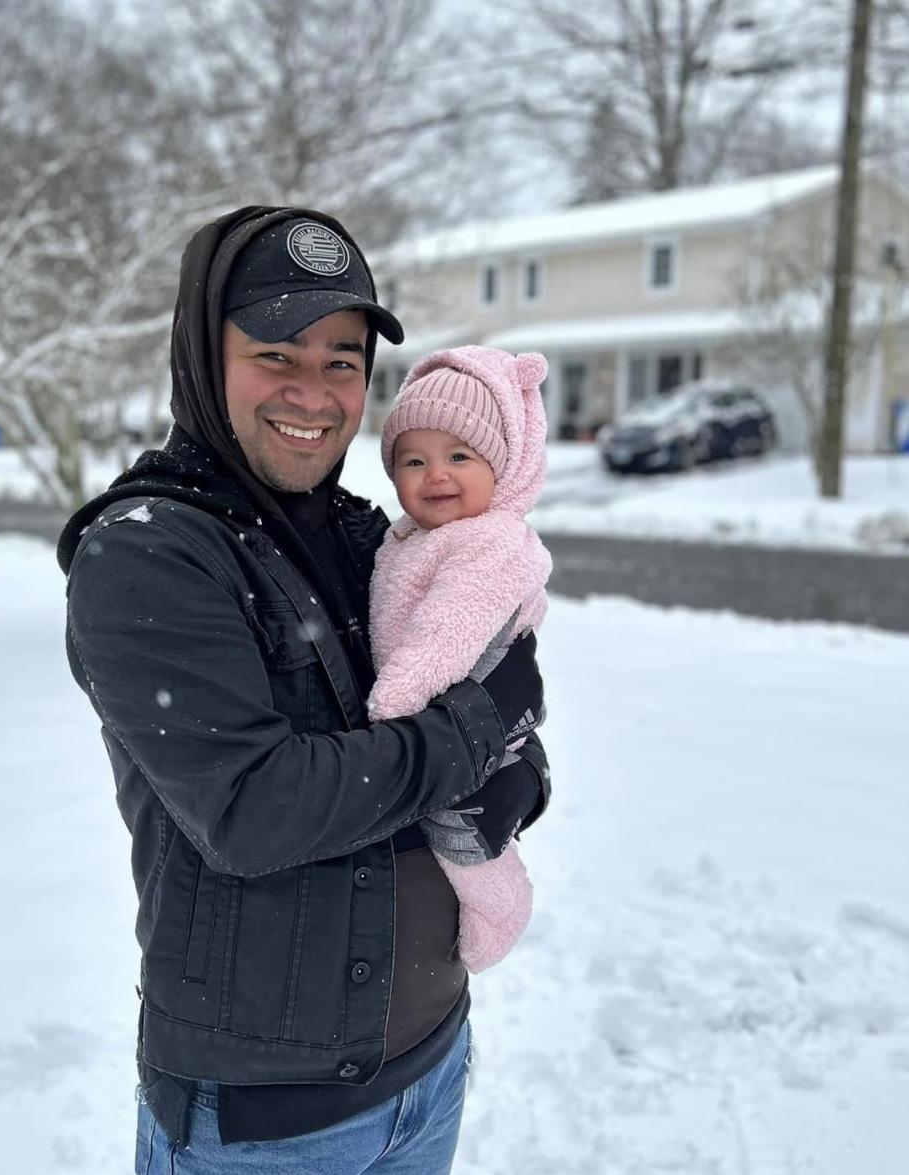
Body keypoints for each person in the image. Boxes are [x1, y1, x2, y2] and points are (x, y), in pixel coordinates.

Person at [57, 206, 551, 1175]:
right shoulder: (151, 551)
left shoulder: (374, 537)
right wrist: (475, 731)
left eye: (341, 360)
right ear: (203, 355)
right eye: (275, 353)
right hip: (266, 1124)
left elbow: (490, 690)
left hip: (429, 1065)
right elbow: (254, 808)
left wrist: (519, 772)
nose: (313, 392)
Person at [368, 346, 553, 975]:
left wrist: (397, 699)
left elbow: (449, 630)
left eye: (459, 457)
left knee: (463, 832)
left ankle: (500, 909)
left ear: (500, 467)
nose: (436, 476)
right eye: (414, 461)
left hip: (458, 710)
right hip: (436, 722)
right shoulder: (410, 535)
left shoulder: (491, 541)